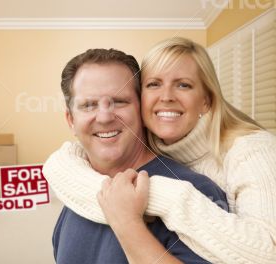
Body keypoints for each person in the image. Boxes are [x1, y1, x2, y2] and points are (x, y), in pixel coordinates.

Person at [43, 37, 276, 263]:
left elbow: (268, 253)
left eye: (120, 101)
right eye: (88, 105)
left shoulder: (236, 163)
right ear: (70, 120)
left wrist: (147, 208)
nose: (104, 117)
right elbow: (61, 164)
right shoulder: (79, 187)